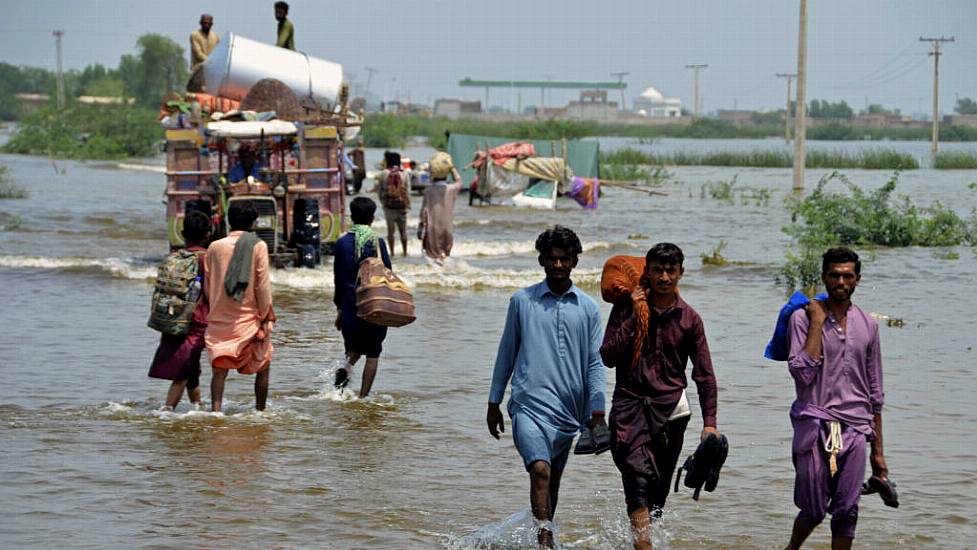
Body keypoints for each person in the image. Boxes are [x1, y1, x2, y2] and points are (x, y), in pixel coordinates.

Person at [487, 226, 606, 548]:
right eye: (551, 259)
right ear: (541, 260)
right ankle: (545, 540)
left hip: (570, 412)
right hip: (528, 405)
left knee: (551, 481)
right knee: (539, 470)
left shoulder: (588, 308)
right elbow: (506, 352)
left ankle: (542, 532)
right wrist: (494, 401)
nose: (557, 265)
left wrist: (597, 412)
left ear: (574, 262)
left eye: (564, 259)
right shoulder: (522, 301)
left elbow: (594, 363)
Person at [599, 243, 719, 550]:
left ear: (681, 273)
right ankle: (644, 546)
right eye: (657, 270)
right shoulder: (626, 308)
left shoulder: (690, 319)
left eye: (670, 270)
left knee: (658, 492)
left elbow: (704, 375)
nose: (664, 277)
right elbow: (608, 356)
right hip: (629, 409)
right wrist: (631, 316)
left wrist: (710, 424)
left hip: (670, 415)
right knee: (638, 479)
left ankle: (644, 539)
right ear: (647, 273)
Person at [784, 247, 890, 550]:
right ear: (823, 277)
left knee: (847, 510)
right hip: (813, 423)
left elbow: (875, 392)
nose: (840, 281)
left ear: (857, 280)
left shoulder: (868, 325)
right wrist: (817, 322)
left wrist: (879, 454)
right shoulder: (802, 320)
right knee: (814, 508)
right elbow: (802, 374)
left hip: (856, 427)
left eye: (847, 276)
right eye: (834, 275)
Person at [204, 202, 275, 412]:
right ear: (253, 223)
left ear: (229, 221)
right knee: (263, 365)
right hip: (248, 317)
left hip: (219, 317)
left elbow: (209, 284)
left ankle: (215, 413)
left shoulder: (214, 247)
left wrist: (216, 307)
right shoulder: (258, 245)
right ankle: (260, 412)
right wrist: (265, 315)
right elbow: (262, 284)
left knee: (219, 370)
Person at [148, 210, 212, 409]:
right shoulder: (206, 259)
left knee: (190, 367)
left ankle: (197, 407)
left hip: (172, 315)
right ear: (208, 234)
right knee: (184, 368)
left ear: (183, 234)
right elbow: (211, 291)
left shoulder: (173, 257)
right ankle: (167, 410)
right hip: (196, 319)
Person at [332, 197, 392, 398]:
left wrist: (339, 310)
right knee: (373, 353)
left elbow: (339, 280)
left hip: (350, 306)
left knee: (352, 351)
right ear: (372, 218)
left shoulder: (341, 243)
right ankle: (363, 397)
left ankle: (338, 391)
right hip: (372, 305)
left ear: (351, 216)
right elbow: (387, 273)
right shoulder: (377, 242)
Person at [417, 152, 462, 263]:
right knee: (445, 257)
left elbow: (423, 212)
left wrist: (420, 227)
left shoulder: (428, 191)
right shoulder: (451, 189)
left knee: (433, 258)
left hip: (432, 229)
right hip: (448, 228)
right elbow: (459, 181)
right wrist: (451, 168)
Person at [376, 150, 411, 257]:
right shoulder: (404, 173)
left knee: (390, 232)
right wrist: (407, 205)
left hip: (389, 207)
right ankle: (405, 252)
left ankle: (392, 253)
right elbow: (408, 191)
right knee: (403, 231)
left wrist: (383, 203)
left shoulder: (383, 173)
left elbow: (380, 190)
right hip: (402, 207)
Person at [187, 14, 219, 92]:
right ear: (200, 23)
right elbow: (198, 53)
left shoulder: (215, 37)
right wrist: (210, 62)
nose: (206, 25)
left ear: (212, 24)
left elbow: (219, 54)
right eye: (204, 23)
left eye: (209, 23)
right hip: (198, 70)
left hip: (211, 72)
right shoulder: (195, 35)